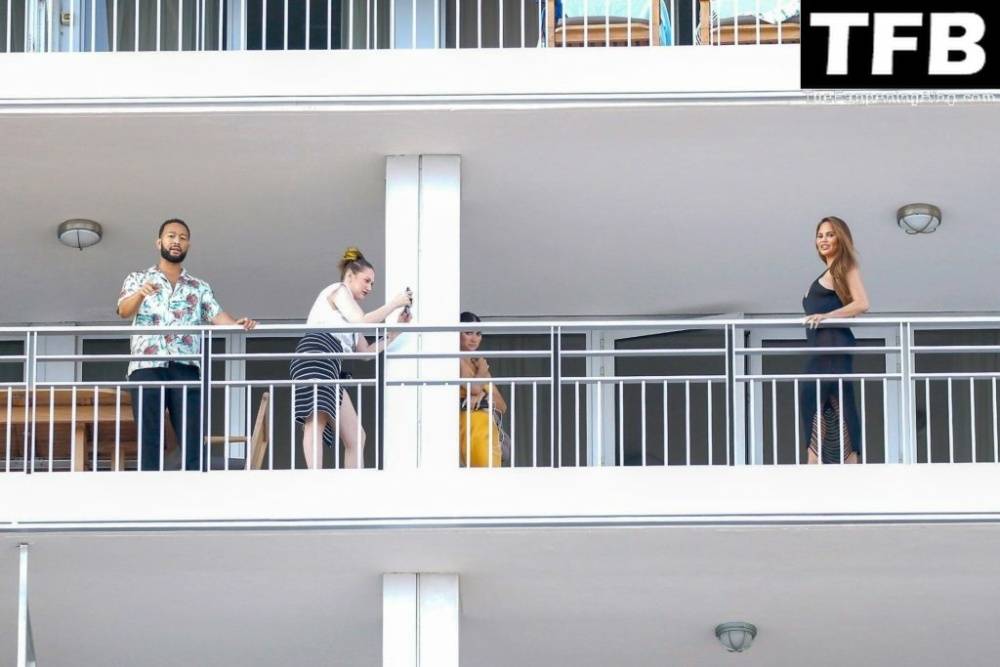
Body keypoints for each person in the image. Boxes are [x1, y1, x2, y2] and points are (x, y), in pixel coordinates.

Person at [117, 218, 257, 471]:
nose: (176, 241)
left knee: (192, 434)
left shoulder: (198, 287)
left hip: (186, 365)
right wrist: (140, 293)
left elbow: (219, 318)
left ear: (188, 245)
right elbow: (124, 311)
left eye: (182, 238)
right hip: (147, 366)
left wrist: (239, 324)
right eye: (171, 236)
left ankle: (195, 490)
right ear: (159, 242)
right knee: (150, 435)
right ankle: (150, 489)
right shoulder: (138, 278)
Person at [291, 247, 412, 469]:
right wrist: (394, 303)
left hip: (332, 362)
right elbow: (363, 320)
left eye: (372, 284)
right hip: (316, 352)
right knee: (316, 419)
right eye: (366, 280)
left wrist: (394, 333)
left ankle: (352, 487)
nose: (370, 287)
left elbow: (365, 354)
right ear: (349, 275)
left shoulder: (351, 316)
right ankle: (314, 480)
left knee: (357, 437)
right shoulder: (338, 290)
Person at [800, 216, 870, 464]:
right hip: (820, 351)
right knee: (820, 405)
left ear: (841, 237)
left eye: (830, 234)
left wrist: (827, 316)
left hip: (833, 348)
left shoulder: (845, 265)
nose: (824, 240)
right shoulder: (829, 271)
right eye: (820, 235)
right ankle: (820, 467)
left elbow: (862, 303)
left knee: (836, 406)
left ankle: (834, 465)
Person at [458, 311, 508, 467]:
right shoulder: (455, 359)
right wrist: (481, 372)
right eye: (468, 333)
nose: (474, 339)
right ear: (457, 334)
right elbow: (473, 388)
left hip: (487, 429)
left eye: (478, 334)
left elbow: (502, 405)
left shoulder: (478, 363)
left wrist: (484, 396)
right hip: (469, 426)